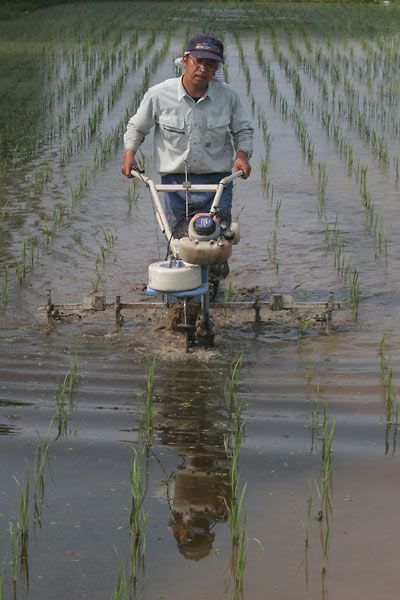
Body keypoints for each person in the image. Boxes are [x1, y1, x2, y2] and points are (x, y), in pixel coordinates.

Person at [121, 34, 253, 233]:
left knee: (216, 241)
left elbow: (242, 129)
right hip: (174, 184)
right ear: (185, 60)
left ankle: (217, 264)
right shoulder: (159, 95)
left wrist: (242, 155)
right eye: (198, 61)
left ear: (217, 69)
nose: (203, 69)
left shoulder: (227, 96)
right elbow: (137, 127)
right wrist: (129, 154)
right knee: (177, 241)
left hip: (218, 182)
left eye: (211, 64)